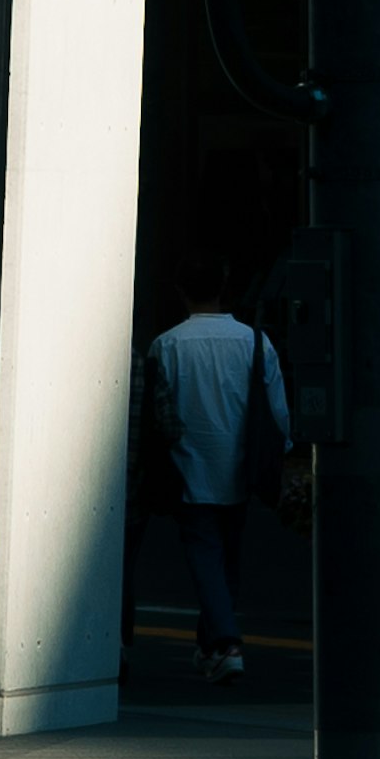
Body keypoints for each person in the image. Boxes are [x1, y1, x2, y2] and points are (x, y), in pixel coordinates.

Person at [139, 270, 289, 681]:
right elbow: (277, 411)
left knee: (206, 557)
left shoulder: (166, 344)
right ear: (225, 288)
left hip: (188, 466)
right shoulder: (254, 342)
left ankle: (224, 642)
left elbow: (155, 412)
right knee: (229, 560)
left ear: (180, 290)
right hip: (242, 468)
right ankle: (214, 645)